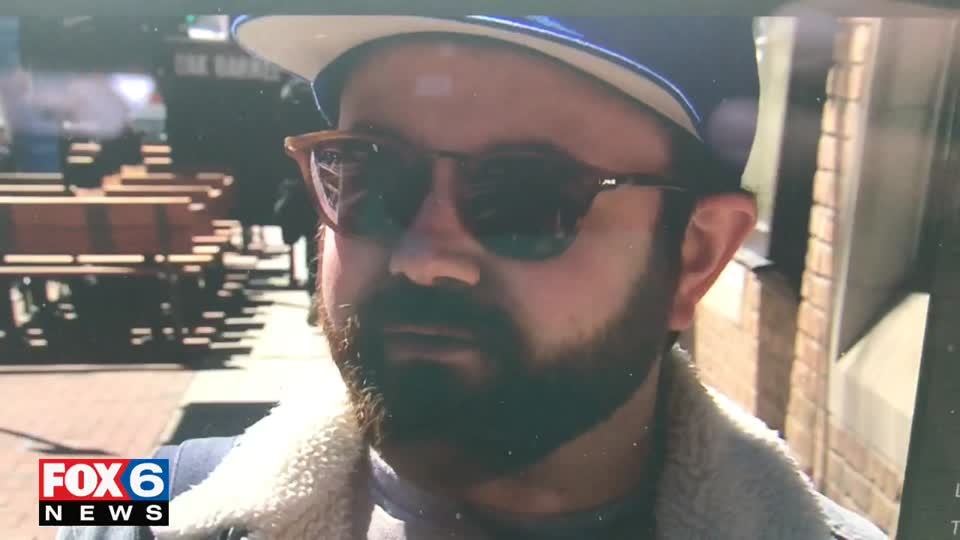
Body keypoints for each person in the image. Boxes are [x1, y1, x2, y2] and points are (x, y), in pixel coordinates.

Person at [60, 16, 886, 540]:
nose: (423, 256)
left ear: (695, 255)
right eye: (370, 173)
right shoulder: (131, 505)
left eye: (529, 194)